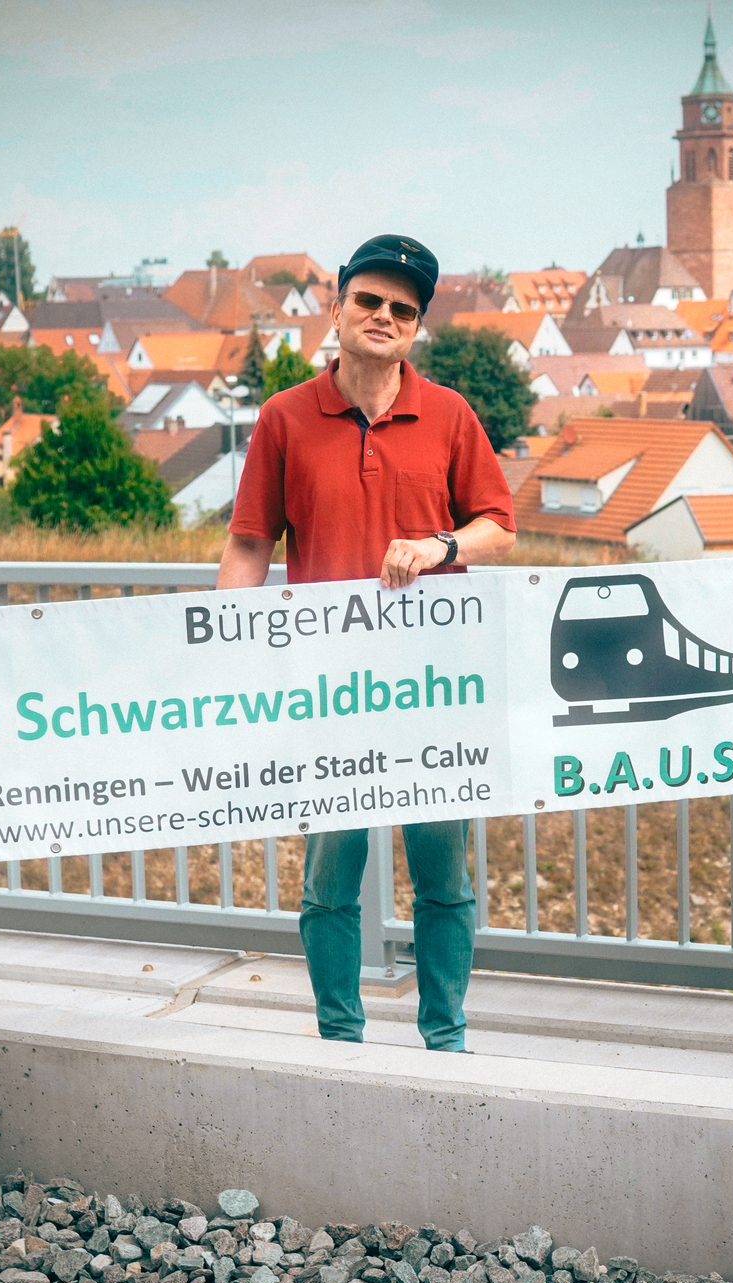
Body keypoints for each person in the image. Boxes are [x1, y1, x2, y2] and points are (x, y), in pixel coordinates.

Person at [218, 234, 516, 1051]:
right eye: (370, 301)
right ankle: (339, 1039)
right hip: (327, 690)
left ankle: (445, 1037)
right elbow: (250, 544)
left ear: (417, 326)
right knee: (328, 880)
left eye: (403, 310)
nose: (384, 318)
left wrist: (441, 546)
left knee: (444, 879)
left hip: (431, 691)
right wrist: (220, 647)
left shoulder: (450, 413)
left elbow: (499, 525)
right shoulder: (284, 417)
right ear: (338, 305)